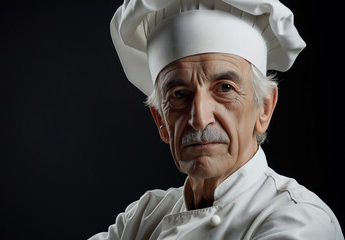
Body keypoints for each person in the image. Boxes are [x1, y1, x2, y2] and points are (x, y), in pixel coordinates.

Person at [90, 0, 344, 239]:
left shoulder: (299, 219)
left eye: (224, 88)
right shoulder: (144, 216)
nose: (199, 119)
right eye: (179, 94)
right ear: (161, 121)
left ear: (264, 108)